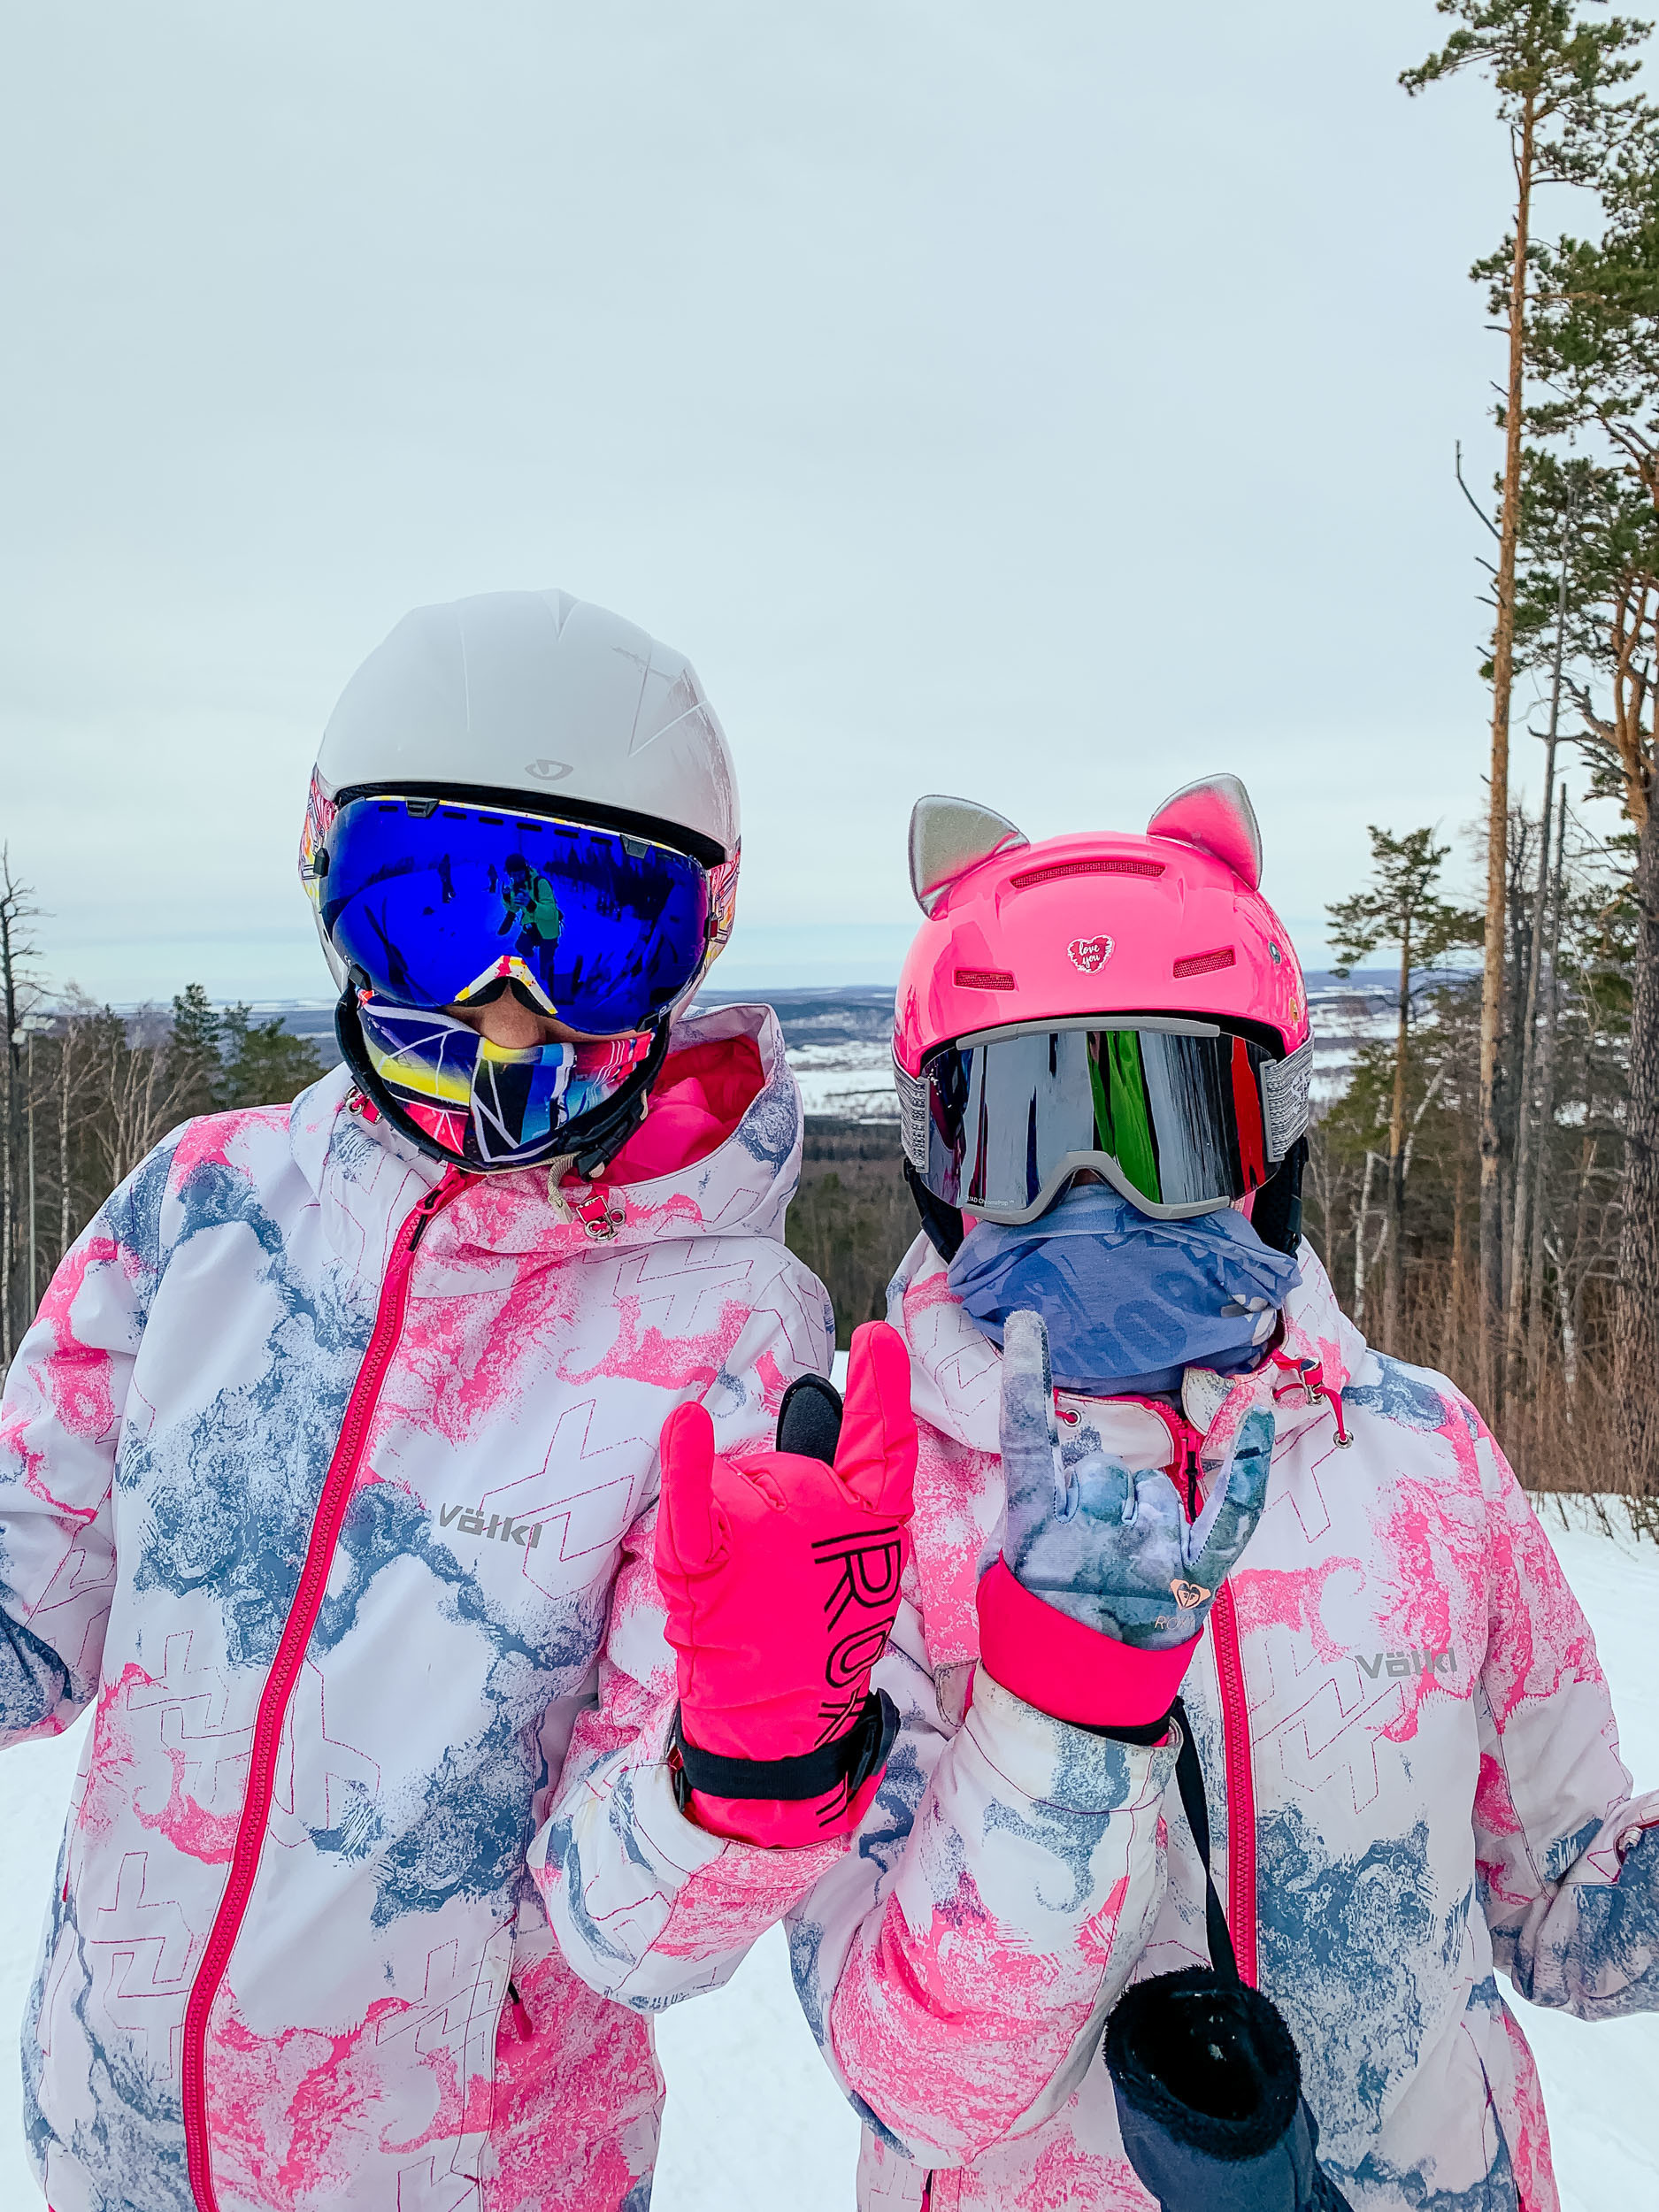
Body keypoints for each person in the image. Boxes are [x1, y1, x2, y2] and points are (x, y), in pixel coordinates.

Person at [548, 774, 1659, 2210]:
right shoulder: (868, 1528)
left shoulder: (1424, 1459)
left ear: (1276, 1142)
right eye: (1025, 1138)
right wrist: (1056, 1728)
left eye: (1169, 1125)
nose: (1100, 1197)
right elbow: (919, 2085)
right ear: (939, 1166)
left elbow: (1572, 1905)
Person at [0, 588, 901, 2212]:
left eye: (589, 937)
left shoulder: (726, 1338)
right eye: (434, 912)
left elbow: (624, 1934)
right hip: (110, 2146)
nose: (504, 1008)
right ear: (330, 887)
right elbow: (24, 1615)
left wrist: (740, 1778)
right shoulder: (204, 1213)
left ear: (688, 951)